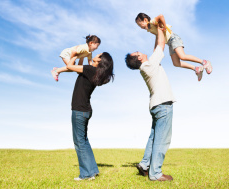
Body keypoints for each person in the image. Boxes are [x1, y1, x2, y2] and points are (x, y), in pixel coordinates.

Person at [125, 25, 175, 181]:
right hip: (163, 105)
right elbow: (160, 46)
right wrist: (160, 27)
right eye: (138, 52)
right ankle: (155, 173)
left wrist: (157, 31)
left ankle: (145, 164)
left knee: (154, 137)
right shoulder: (149, 65)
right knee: (162, 140)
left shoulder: (147, 66)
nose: (141, 51)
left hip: (156, 105)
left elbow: (156, 48)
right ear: (139, 58)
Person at [67, 51, 114, 181]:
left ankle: (86, 174)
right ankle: (92, 170)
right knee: (84, 141)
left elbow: (71, 67)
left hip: (79, 110)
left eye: (98, 54)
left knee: (80, 142)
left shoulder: (90, 69)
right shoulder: (94, 72)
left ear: (100, 60)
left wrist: (76, 55)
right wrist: (81, 58)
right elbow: (78, 70)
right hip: (85, 110)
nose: (95, 54)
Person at [135, 13, 212, 81]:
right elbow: (158, 36)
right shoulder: (150, 30)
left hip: (173, 38)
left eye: (139, 24)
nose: (140, 27)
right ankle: (196, 68)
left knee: (182, 56)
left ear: (145, 20)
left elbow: (161, 16)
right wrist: (155, 48)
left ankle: (205, 62)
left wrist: (164, 27)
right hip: (169, 43)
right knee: (176, 63)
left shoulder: (152, 22)